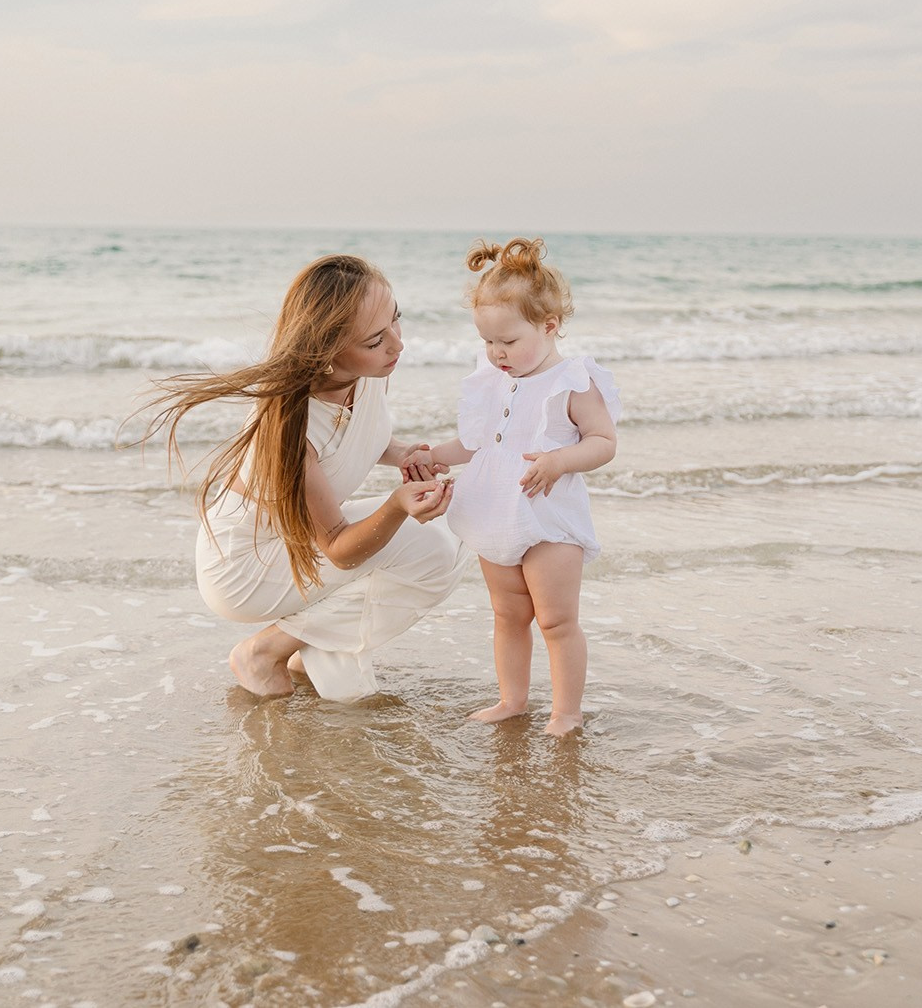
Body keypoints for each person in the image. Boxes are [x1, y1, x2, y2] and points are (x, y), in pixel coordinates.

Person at [147, 254, 467, 700]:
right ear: (326, 350)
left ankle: (309, 650)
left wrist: (400, 454)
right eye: (377, 340)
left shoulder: (368, 371)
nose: (398, 345)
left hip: (296, 539)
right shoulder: (291, 430)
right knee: (430, 549)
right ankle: (265, 651)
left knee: (459, 529)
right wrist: (396, 506)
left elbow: (354, 435)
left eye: (397, 321)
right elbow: (339, 550)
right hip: (246, 565)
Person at [402, 238, 619, 735]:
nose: (497, 353)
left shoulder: (572, 381)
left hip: (548, 518)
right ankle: (512, 700)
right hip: (495, 512)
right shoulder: (493, 378)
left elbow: (604, 442)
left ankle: (565, 713)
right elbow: (477, 443)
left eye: (509, 342)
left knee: (556, 622)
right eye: (488, 342)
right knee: (507, 614)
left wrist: (561, 459)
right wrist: (433, 456)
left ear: (549, 326)